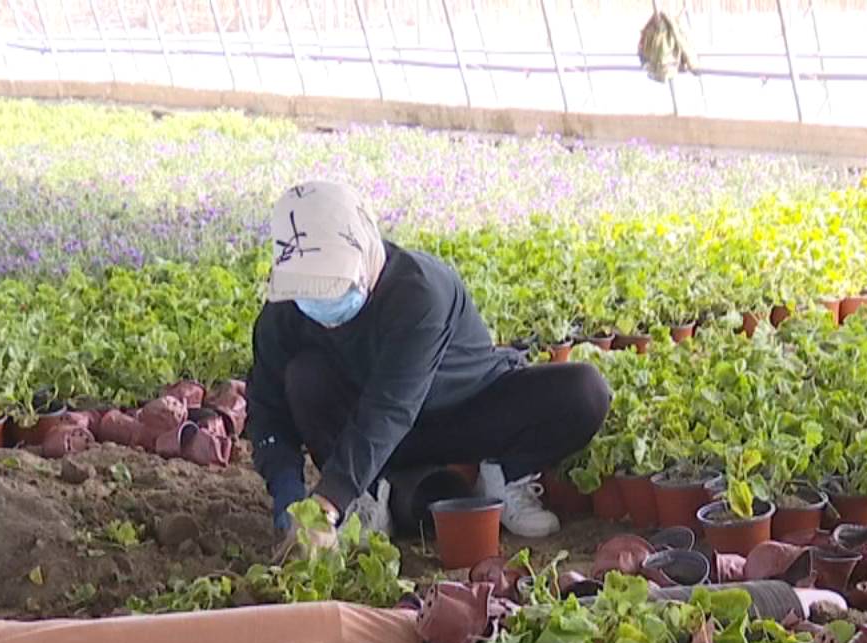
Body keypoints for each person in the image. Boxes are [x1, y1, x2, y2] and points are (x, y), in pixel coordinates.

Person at [247, 180, 610, 545]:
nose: (319, 301)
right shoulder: (285, 312)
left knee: (583, 391)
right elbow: (267, 408)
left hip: (465, 412)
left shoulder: (418, 292)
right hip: (373, 435)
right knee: (304, 377)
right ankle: (370, 494)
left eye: (333, 283)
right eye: (309, 289)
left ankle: (502, 474)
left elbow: (390, 406)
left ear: (368, 249)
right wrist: (288, 494)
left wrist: (327, 500)